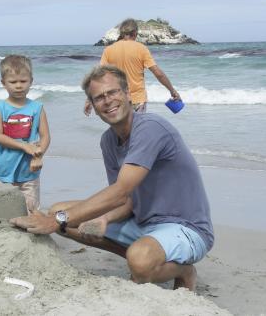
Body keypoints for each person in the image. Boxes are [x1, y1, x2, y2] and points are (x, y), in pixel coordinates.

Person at [11, 65, 213, 291]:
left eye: (113, 92)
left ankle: (184, 270)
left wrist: (57, 219)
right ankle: (141, 256)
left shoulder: (150, 128)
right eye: (99, 98)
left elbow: (121, 190)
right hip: (143, 223)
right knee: (62, 216)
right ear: (93, 107)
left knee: (135, 258)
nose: (107, 101)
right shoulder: (108, 141)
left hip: (185, 228)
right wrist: (102, 219)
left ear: (128, 95)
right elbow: (124, 202)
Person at [0, 55, 50, 214]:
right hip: (4, 170)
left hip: (29, 172)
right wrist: (24, 145)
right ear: (3, 83)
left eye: (23, 81)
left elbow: (45, 137)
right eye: (13, 82)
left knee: (31, 211)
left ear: (31, 81)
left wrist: (38, 155)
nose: (18, 86)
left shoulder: (37, 108)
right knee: (2, 211)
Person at [84, 18, 181, 115]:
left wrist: (89, 100)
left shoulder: (108, 50)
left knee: (122, 129)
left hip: (118, 100)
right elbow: (158, 74)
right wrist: (172, 91)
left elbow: (98, 76)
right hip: (138, 100)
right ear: (135, 33)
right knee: (138, 129)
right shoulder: (141, 49)